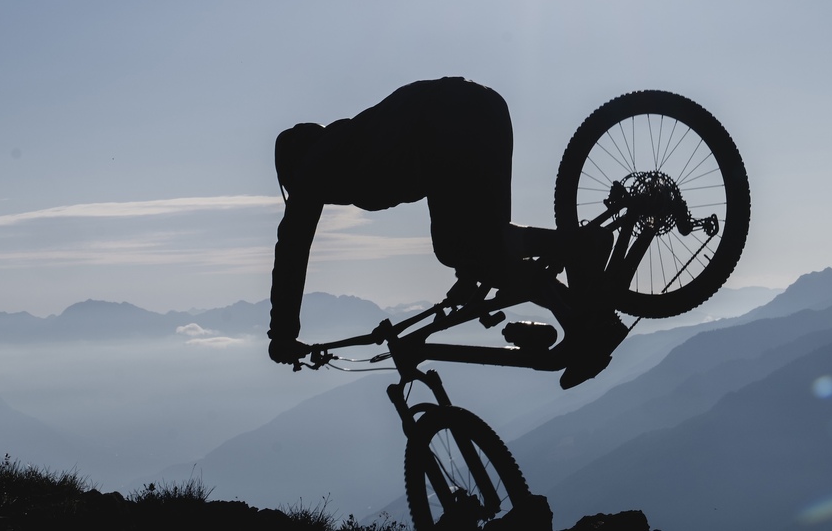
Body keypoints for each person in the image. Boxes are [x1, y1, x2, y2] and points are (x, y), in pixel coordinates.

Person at [266, 77, 627, 389]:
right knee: (490, 248)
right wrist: (471, 273)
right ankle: (586, 322)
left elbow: (292, 247)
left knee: (455, 247)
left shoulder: (314, 165)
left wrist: (282, 334)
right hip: (483, 107)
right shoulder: (355, 141)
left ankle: (582, 251)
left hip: (445, 123)